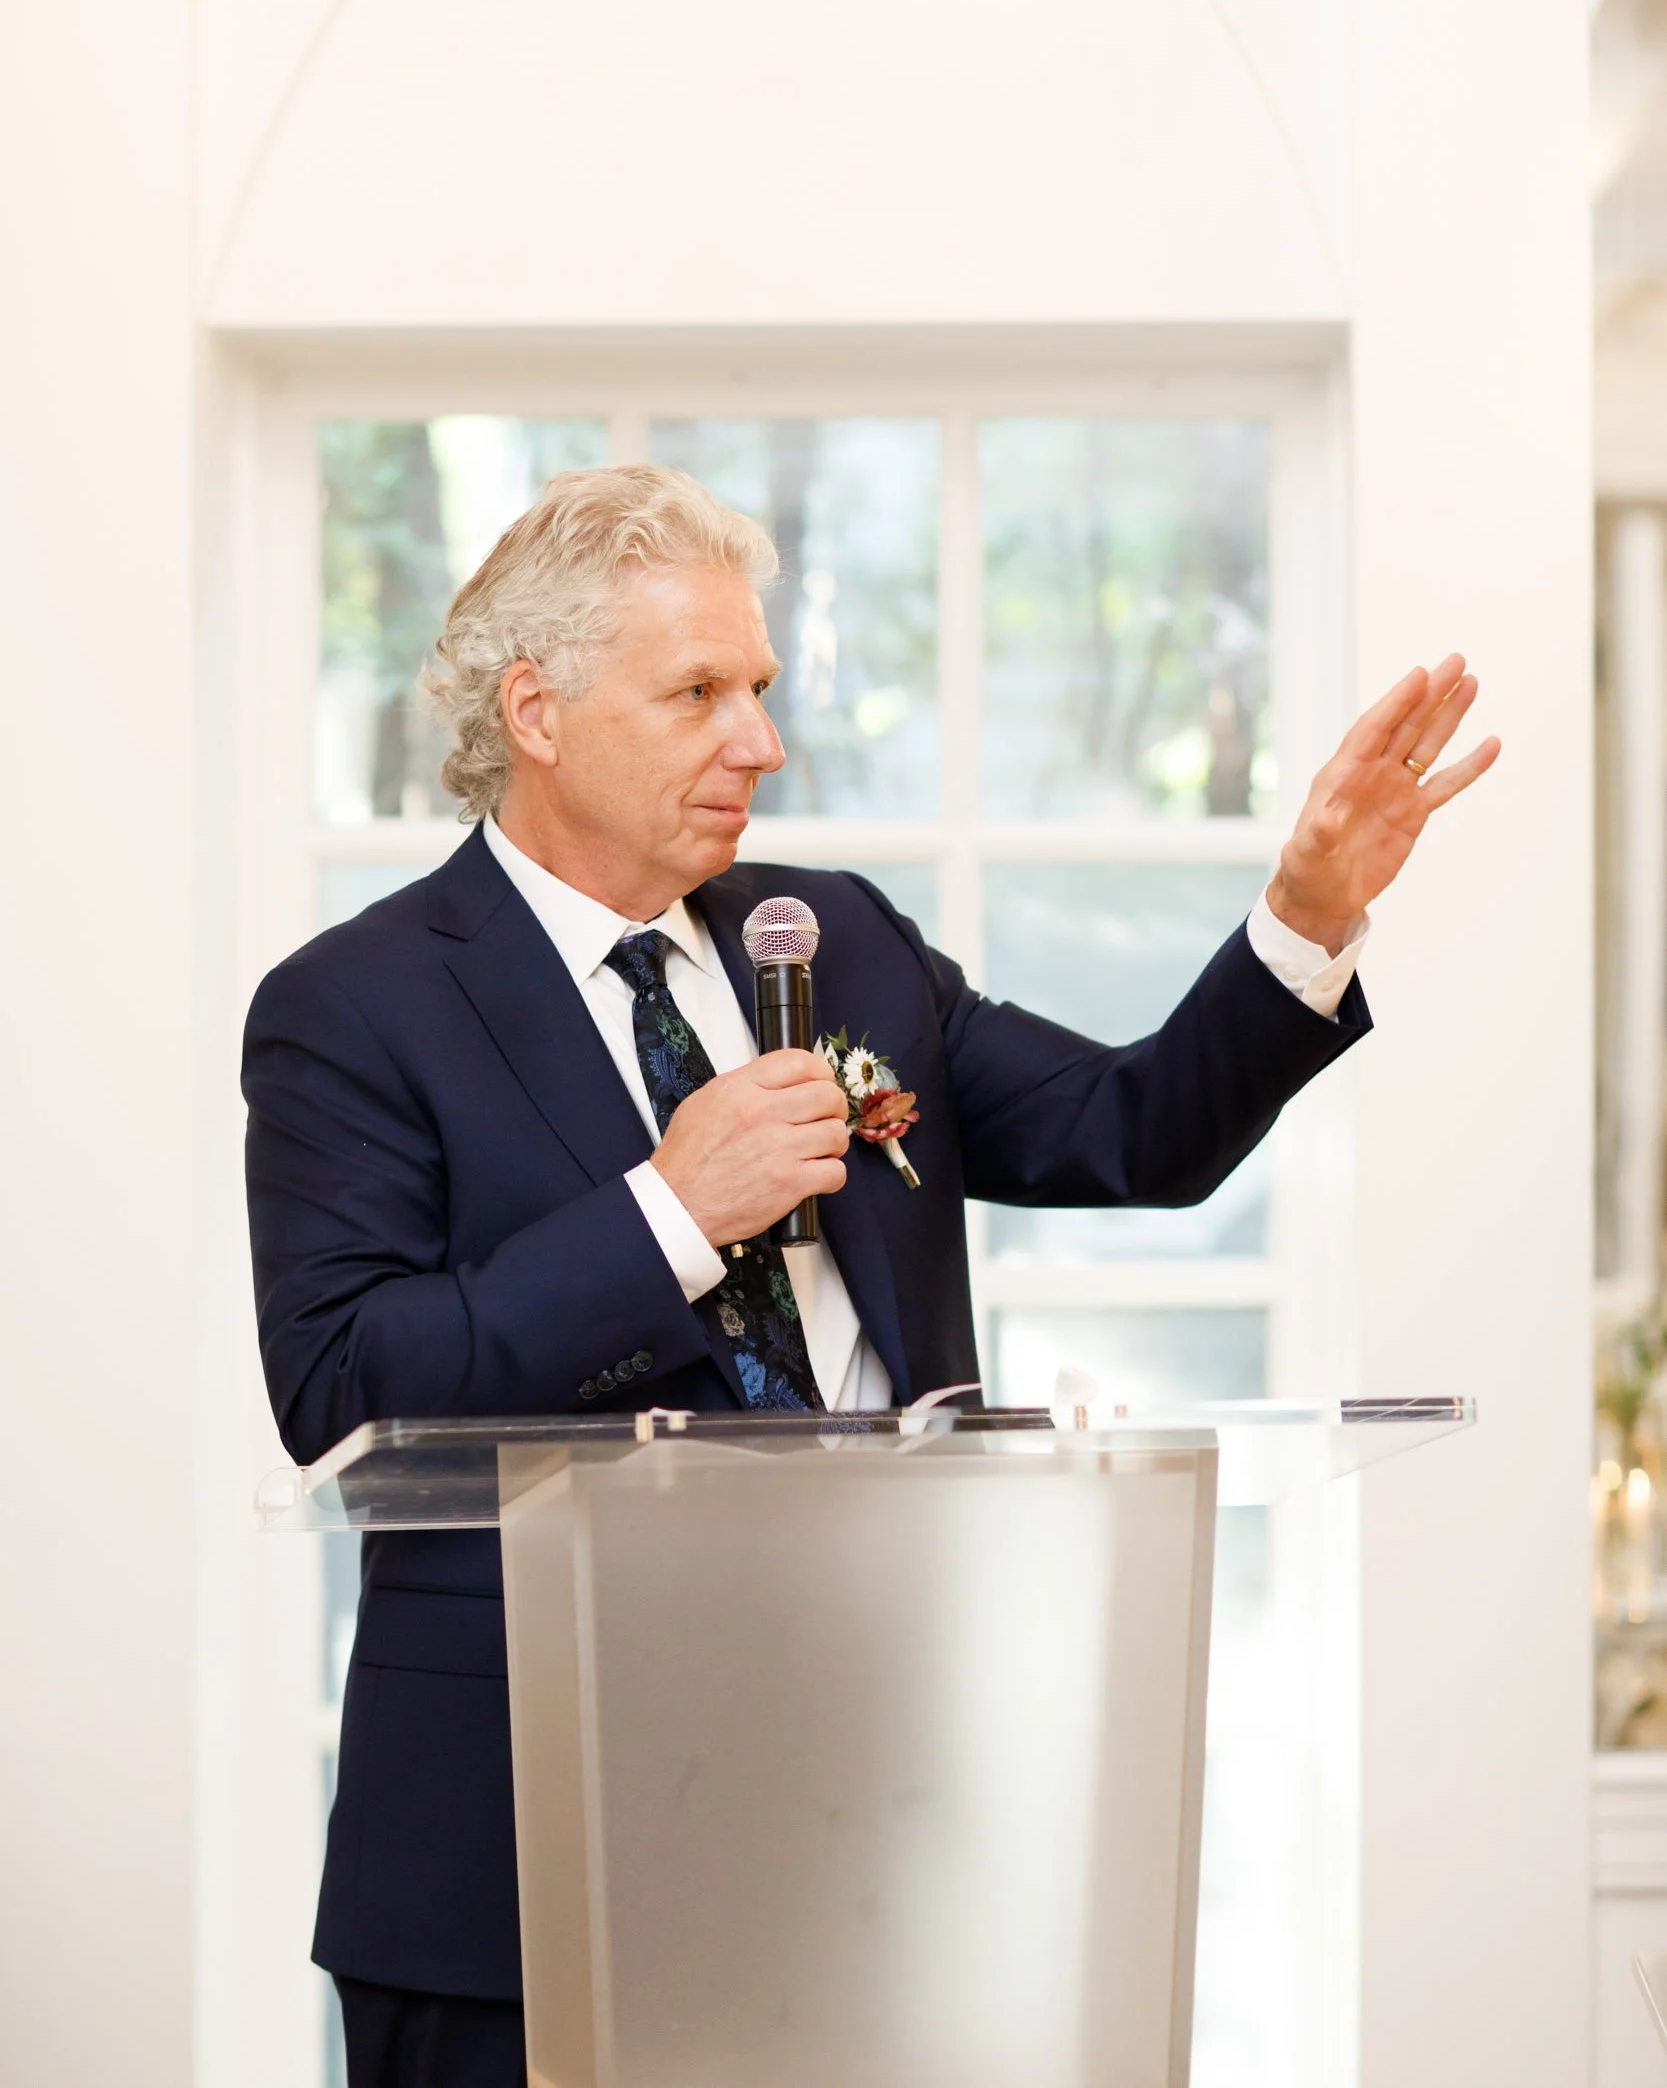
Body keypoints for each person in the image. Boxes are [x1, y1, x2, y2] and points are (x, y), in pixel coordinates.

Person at [244, 464, 1498, 2088]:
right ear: (535, 712)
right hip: (514, 1857)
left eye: (759, 688)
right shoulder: (352, 1006)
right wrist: (671, 1212)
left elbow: (1133, 1132)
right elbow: (343, 1384)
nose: (760, 742)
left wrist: (1304, 915)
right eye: (699, 692)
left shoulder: (835, 941)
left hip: (891, 1824)